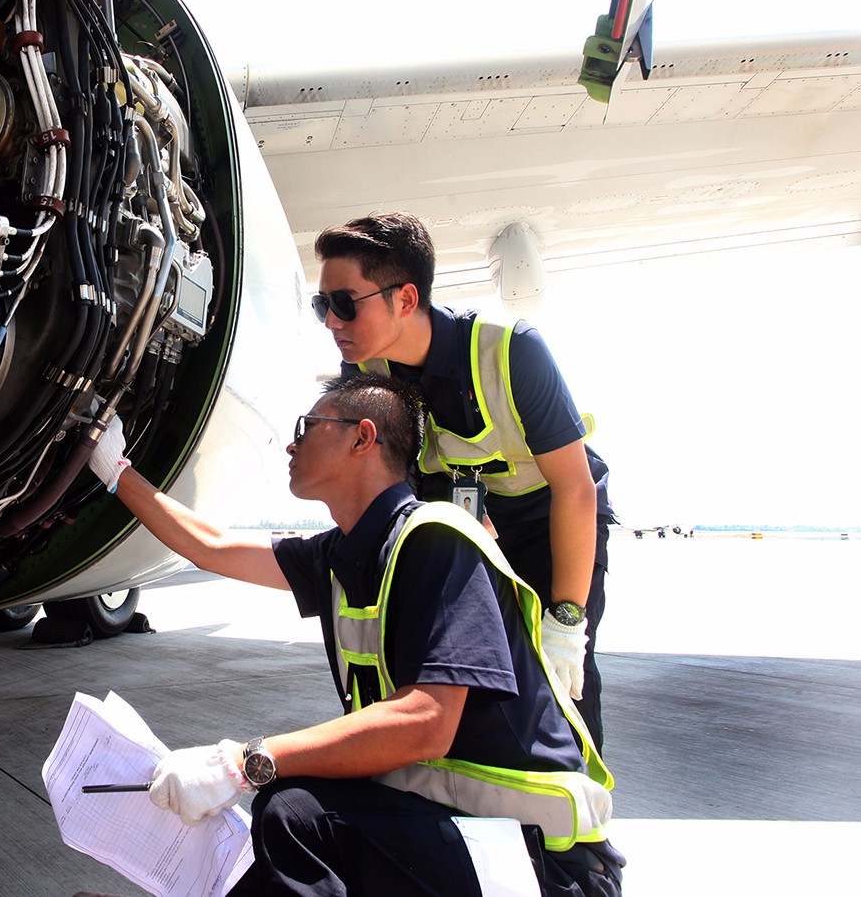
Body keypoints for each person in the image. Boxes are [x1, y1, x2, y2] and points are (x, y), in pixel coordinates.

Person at [85, 374, 622, 895]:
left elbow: (425, 723)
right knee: (299, 811)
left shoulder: (436, 541)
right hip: (465, 831)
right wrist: (116, 471)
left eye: (308, 426)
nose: (291, 445)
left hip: (543, 864)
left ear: (362, 437)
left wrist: (242, 762)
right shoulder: (344, 554)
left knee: (294, 815)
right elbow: (212, 549)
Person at [312, 212, 613, 750]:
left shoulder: (512, 351)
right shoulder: (368, 378)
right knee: (463, 690)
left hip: (549, 523)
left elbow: (575, 489)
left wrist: (567, 621)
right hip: (464, 529)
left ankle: (576, 826)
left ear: (405, 299)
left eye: (343, 304)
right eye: (322, 306)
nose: (331, 322)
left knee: (559, 699)